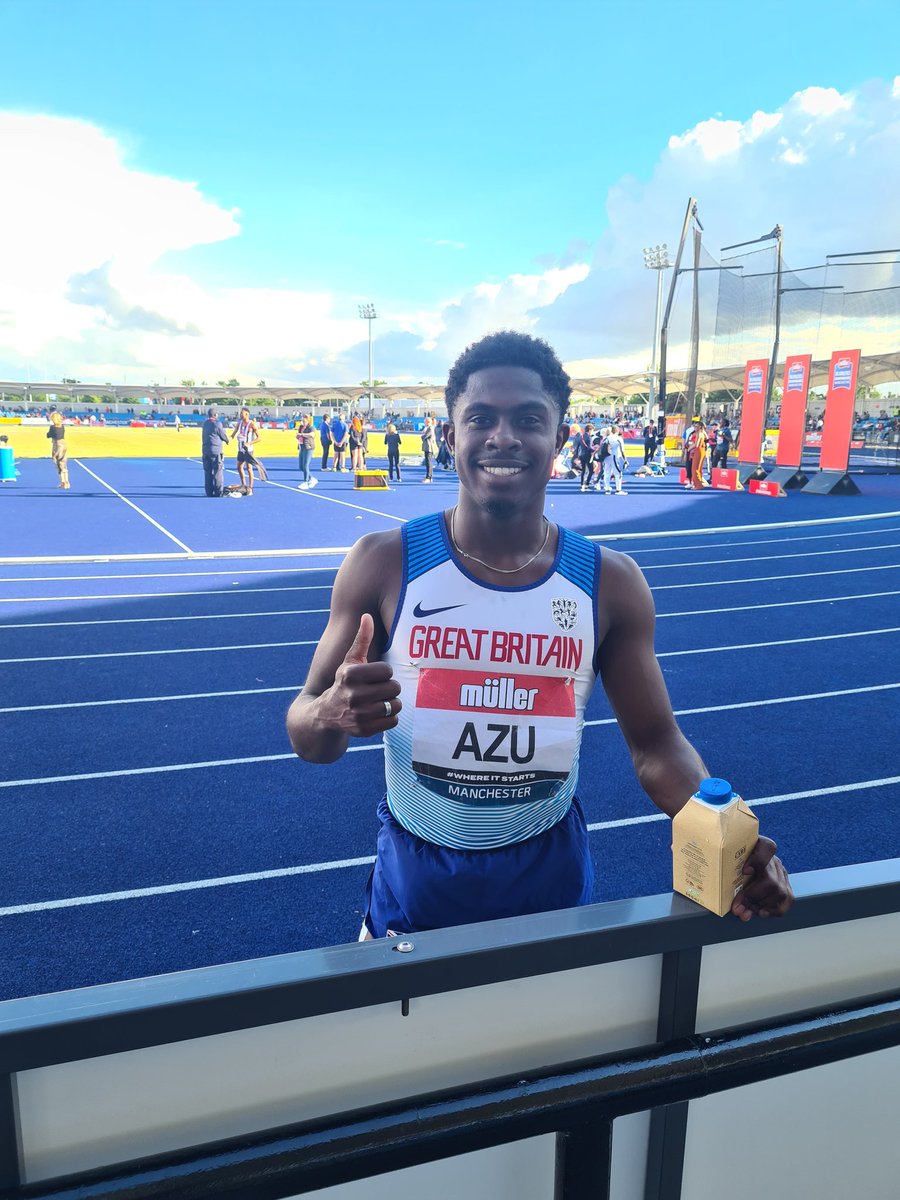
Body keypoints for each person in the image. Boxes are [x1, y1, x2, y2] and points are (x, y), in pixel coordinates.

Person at [286, 330, 793, 939]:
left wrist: (732, 839)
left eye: (528, 419)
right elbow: (306, 734)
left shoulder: (609, 583)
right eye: (481, 418)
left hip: (549, 878)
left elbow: (658, 746)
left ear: (559, 438)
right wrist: (332, 715)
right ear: (450, 437)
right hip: (414, 885)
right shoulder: (382, 563)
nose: (503, 436)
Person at [234, 407, 268, 493]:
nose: (241, 415)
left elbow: (259, 438)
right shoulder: (239, 423)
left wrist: (249, 443)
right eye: (240, 413)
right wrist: (228, 439)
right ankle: (243, 485)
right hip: (240, 449)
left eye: (242, 413)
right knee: (239, 467)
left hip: (248, 450)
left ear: (247, 414)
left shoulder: (252, 424)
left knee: (249, 468)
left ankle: (250, 488)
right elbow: (233, 434)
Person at [201, 406, 230, 497]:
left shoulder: (205, 424)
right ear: (215, 415)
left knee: (208, 472)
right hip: (216, 450)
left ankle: (209, 492)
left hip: (206, 450)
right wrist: (227, 440)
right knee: (218, 471)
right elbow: (222, 435)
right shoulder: (217, 423)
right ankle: (218, 492)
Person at [602, 423, 627, 495]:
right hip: (614, 456)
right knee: (618, 473)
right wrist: (625, 460)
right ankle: (618, 490)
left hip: (606, 457)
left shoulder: (607, 438)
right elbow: (622, 450)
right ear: (617, 430)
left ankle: (607, 489)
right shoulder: (618, 438)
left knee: (607, 472)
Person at [47, 411, 70, 489]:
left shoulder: (52, 427)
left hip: (57, 445)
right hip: (64, 445)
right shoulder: (62, 426)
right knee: (64, 463)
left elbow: (49, 435)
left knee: (58, 464)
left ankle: (63, 482)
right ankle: (67, 482)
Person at [296, 415, 317, 489]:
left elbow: (312, 435)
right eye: (302, 420)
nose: (303, 422)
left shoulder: (311, 427)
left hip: (308, 447)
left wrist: (302, 434)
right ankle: (312, 478)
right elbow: (298, 435)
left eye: (304, 421)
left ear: (308, 421)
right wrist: (298, 436)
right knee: (301, 467)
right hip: (302, 447)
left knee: (305, 465)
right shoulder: (301, 427)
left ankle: (306, 482)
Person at [688, 417, 708, 490]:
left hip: (698, 450)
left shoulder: (699, 434)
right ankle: (698, 483)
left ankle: (698, 485)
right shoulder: (702, 433)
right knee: (698, 468)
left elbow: (696, 444)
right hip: (701, 450)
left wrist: (690, 448)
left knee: (695, 468)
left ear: (700, 427)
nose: (694, 428)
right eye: (694, 426)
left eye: (696, 426)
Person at [421, 417, 437, 483]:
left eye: (425, 421)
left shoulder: (430, 428)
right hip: (427, 447)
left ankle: (429, 477)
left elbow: (425, 436)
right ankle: (428, 476)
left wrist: (422, 435)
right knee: (428, 463)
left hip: (429, 447)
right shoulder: (428, 428)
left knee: (429, 463)